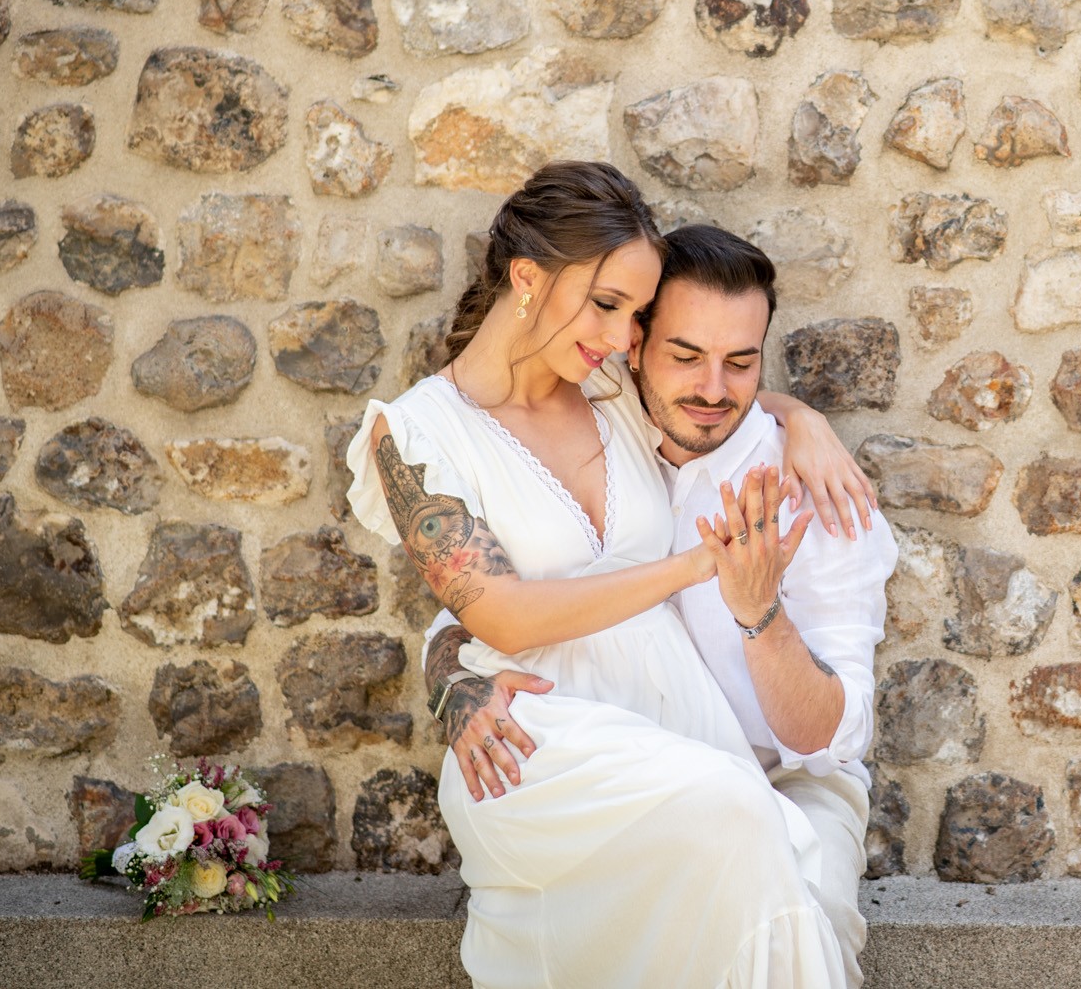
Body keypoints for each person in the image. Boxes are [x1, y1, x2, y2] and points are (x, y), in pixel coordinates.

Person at [343, 162, 869, 989]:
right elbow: (502, 615)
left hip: (672, 713)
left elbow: (709, 387)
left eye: (634, 314)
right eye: (608, 304)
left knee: (749, 858)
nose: (625, 337)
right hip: (536, 735)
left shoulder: (609, 385)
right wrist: (699, 564)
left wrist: (805, 418)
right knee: (732, 812)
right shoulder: (414, 436)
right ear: (527, 278)